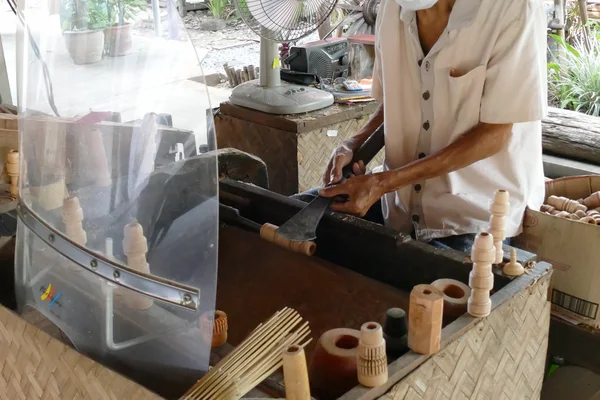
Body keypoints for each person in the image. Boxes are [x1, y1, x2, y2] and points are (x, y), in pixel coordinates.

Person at [294, 0, 547, 253]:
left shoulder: (513, 8)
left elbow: (495, 134)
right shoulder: (392, 8)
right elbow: (396, 100)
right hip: (397, 206)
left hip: (474, 215)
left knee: (423, 286)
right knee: (277, 218)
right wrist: (354, 144)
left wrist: (383, 183)